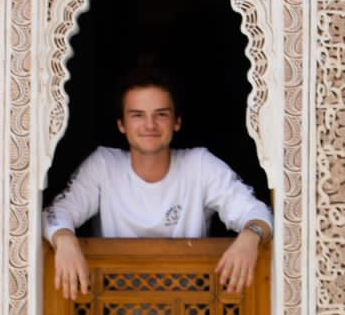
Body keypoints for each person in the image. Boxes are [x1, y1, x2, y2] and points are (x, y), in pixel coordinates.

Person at [43, 69, 274, 299]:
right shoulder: (104, 166)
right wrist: (65, 240)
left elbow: (258, 213)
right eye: (137, 115)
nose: (150, 125)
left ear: (177, 122)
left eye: (161, 114)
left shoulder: (199, 166)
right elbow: (55, 214)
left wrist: (248, 238)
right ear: (121, 124)